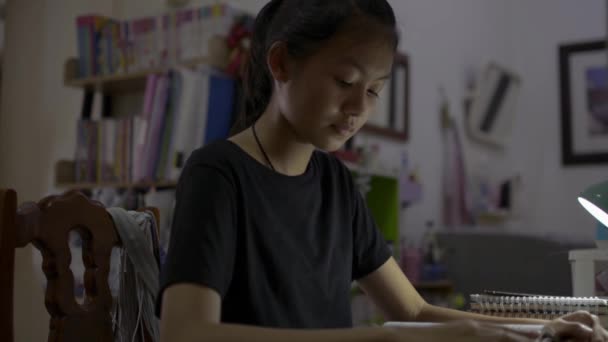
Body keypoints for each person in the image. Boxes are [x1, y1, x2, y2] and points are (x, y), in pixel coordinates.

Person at [157, 1, 608, 341]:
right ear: (281, 63)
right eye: (345, 82)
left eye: (374, 91)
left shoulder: (335, 184)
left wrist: (546, 326)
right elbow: (185, 332)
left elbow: (412, 310)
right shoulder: (218, 174)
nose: (357, 109)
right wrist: (385, 338)